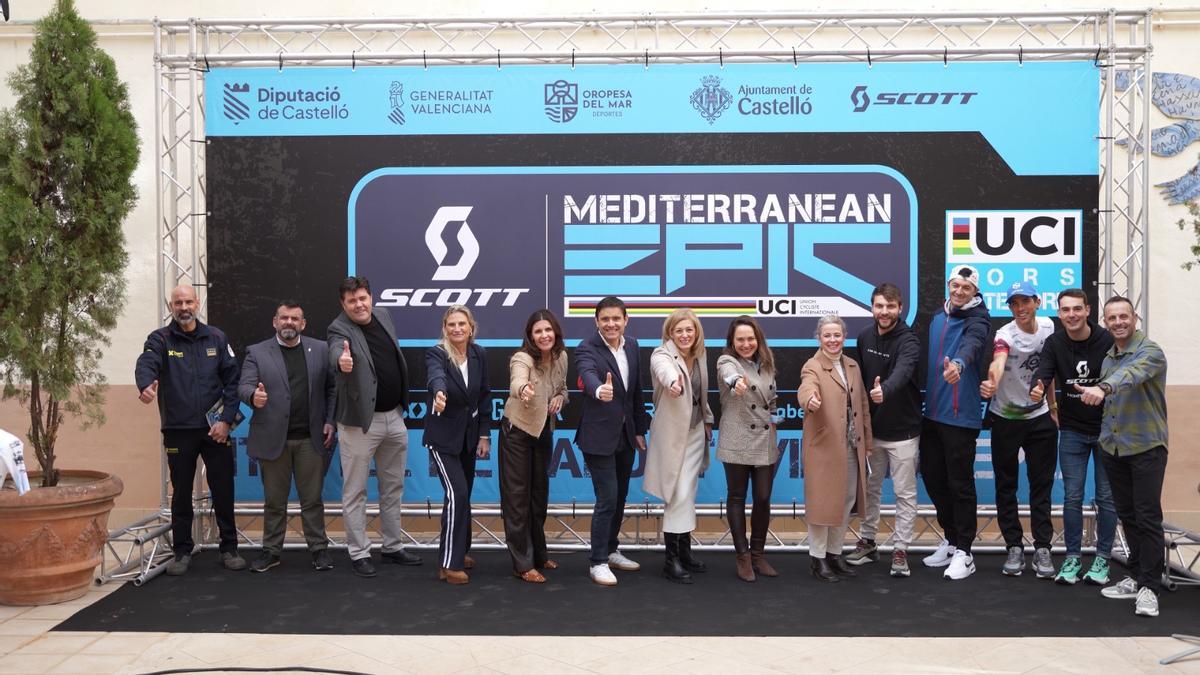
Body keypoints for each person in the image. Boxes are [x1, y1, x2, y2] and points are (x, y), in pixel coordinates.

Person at [134, 284, 246, 574]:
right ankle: (182, 551)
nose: (183, 307)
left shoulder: (217, 338)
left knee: (223, 488)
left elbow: (233, 381)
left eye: (188, 302)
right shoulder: (160, 339)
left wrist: (226, 421)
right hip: (178, 430)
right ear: (171, 306)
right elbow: (147, 362)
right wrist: (145, 384)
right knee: (181, 491)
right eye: (177, 302)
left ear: (198, 304)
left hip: (215, 430)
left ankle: (229, 548)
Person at [1077, 296, 1169, 618]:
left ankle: (1150, 588)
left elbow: (1131, 375)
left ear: (1135, 318)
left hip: (1146, 447)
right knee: (1127, 517)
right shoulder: (1107, 358)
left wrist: (1103, 388)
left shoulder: (1150, 352)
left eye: (1123, 316)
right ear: (1105, 322)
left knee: (1147, 518)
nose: (1118, 322)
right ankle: (1135, 575)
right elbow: (1111, 405)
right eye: (1112, 318)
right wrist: (1104, 436)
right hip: (1114, 448)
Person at [327, 276, 422, 578]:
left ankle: (392, 546)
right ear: (343, 304)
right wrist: (341, 360)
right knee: (355, 490)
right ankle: (359, 552)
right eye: (352, 300)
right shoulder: (339, 328)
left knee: (393, 487)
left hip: (394, 416)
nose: (359, 304)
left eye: (363, 298)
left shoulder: (383, 315)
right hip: (359, 423)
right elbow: (334, 352)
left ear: (371, 298)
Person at [237, 300, 336, 573]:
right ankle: (271, 551)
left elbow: (332, 389)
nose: (289, 323)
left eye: (295, 319)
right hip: (273, 440)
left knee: (313, 500)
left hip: (310, 439)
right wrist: (252, 396)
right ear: (275, 322)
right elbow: (244, 385)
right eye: (284, 318)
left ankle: (319, 550)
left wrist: (330, 421)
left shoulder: (321, 349)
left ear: (303, 324)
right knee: (274, 501)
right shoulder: (256, 352)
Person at [1031, 288, 1118, 586]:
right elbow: (1044, 372)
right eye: (1065, 310)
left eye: (1077, 309)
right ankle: (1071, 558)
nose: (1071, 315)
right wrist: (1040, 390)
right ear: (1059, 313)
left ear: (1088, 310)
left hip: (1108, 430)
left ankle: (1103, 558)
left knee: (1106, 498)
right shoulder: (1054, 342)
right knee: (1072, 497)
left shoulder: (1107, 340)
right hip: (1072, 430)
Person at [979, 281, 1058, 579]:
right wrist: (993, 382)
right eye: (1014, 303)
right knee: (1006, 485)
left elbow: (1050, 372)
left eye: (1025, 301)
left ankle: (1043, 547)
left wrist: (1052, 407)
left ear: (1037, 301)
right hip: (1006, 418)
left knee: (1041, 485)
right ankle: (1014, 545)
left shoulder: (1050, 328)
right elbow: (999, 360)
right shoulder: (1004, 334)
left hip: (1039, 420)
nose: (1020, 308)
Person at [920, 265, 991, 581]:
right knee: (934, 479)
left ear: (975, 292)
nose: (960, 292)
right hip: (933, 412)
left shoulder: (978, 320)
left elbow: (971, 346)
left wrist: (959, 365)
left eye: (967, 288)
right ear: (949, 286)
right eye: (956, 286)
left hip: (961, 417)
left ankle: (966, 551)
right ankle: (950, 540)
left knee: (960, 484)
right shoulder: (939, 316)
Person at [575, 296, 651, 586]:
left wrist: (640, 429)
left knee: (619, 497)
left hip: (626, 435)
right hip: (598, 436)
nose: (610, 324)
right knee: (606, 498)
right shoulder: (586, 347)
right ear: (597, 322)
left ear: (625, 320)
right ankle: (597, 561)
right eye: (605, 319)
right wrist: (598, 391)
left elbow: (636, 391)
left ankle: (611, 548)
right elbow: (588, 375)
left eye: (616, 319)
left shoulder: (632, 345)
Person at [848, 283, 921, 578]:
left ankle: (901, 548)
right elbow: (858, 380)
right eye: (879, 306)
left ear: (900, 308)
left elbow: (904, 370)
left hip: (904, 432)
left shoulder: (909, 340)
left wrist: (885, 390)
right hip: (873, 431)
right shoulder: (864, 336)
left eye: (890, 307)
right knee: (870, 490)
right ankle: (868, 542)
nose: (885, 312)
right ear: (872, 307)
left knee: (904, 493)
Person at [798, 314, 872, 583]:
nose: (832, 340)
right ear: (819, 337)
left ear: (844, 336)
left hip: (852, 446)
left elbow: (862, 405)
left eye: (837, 335)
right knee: (821, 506)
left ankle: (834, 554)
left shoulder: (852, 365)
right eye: (827, 335)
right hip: (825, 448)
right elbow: (806, 389)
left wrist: (868, 443)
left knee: (845, 502)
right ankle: (817, 560)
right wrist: (810, 400)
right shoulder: (812, 366)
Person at [644, 308, 714, 584]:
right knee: (678, 493)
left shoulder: (699, 355)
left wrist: (707, 419)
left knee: (688, 492)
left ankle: (684, 553)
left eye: (689, 330)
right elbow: (665, 372)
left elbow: (701, 394)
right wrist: (673, 382)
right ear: (670, 333)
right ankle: (670, 560)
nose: (685, 335)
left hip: (696, 432)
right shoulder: (662, 354)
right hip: (673, 436)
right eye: (679, 330)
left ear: (696, 332)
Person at [500, 309, 569, 584]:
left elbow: (563, 388)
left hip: (543, 433)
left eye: (548, 330)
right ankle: (522, 563)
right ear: (530, 336)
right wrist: (522, 389)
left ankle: (539, 555)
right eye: (538, 331)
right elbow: (517, 380)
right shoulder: (522, 358)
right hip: (517, 432)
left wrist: (561, 399)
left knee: (538, 498)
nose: (544, 335)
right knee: (517, 500)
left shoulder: (561, 357)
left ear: (555, 333)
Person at [424, 306, 491, 585]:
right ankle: (449, 565)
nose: (457, 329)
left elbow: (484, 395)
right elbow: (435, 376)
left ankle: (458, 551)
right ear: (444, 327)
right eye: (451, 324)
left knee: (462, 498)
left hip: (469, 437)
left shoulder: (479, 354)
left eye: (462, 324)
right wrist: (439, 393)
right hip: (443, 439)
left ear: (471, 327)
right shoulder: (437, 353)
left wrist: (484, 435)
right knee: (457, 494)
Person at [715, 316, 780, 582]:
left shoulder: (766, 364)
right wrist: (735, 382)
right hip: (737, 437)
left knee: (763, 497)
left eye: (750, 339)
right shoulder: (726, 361)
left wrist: (776, 418)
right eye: (740, 339)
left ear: (758, 339)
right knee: (737, 497)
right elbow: (729, 374)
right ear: (732, 342)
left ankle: (758, 554)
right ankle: (742, 556)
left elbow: (772, 400)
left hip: (764, 439)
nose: (746, 344)